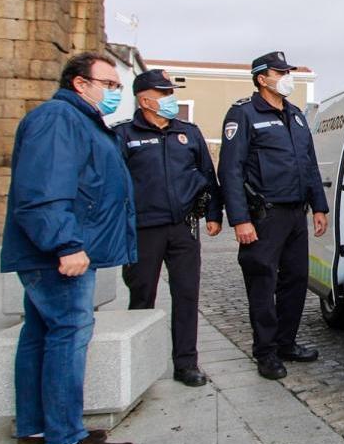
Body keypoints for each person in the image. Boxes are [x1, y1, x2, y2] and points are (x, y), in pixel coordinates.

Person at [0, 51, 138, 444]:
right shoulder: (59, 119)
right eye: (109, 84)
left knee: (40, 336)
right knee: (68, 336)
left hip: (66, 248)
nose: (116, 91)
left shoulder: (81, 120)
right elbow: (42, 188)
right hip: (62, 253)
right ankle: (65, 441)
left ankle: (36, 432)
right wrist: (65, 244)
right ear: (81, 83)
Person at [218, 51, 329, 380]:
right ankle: (265, 352)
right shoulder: (244, 114)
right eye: (279, 72)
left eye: (287, 71)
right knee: (263, 284)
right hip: (264, 215)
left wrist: (319, 206)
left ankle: (286, 342)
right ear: (261, 78)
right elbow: (231, 170)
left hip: (296, 214)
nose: (286, 77)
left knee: (295, 279)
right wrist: (240, 219)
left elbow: (309, 165)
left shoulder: (295, 116)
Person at [115, 70, 223, 387]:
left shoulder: (188, 133)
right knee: (142, 296)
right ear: (144, 99)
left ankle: (186, 363)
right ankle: (138, 363)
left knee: (187, 295)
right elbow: (114, 184)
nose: (170, 100)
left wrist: (214, 213)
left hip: (184, 229)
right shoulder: (124, 135)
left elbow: (207, 174)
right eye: (164, 94)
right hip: (144, 229)